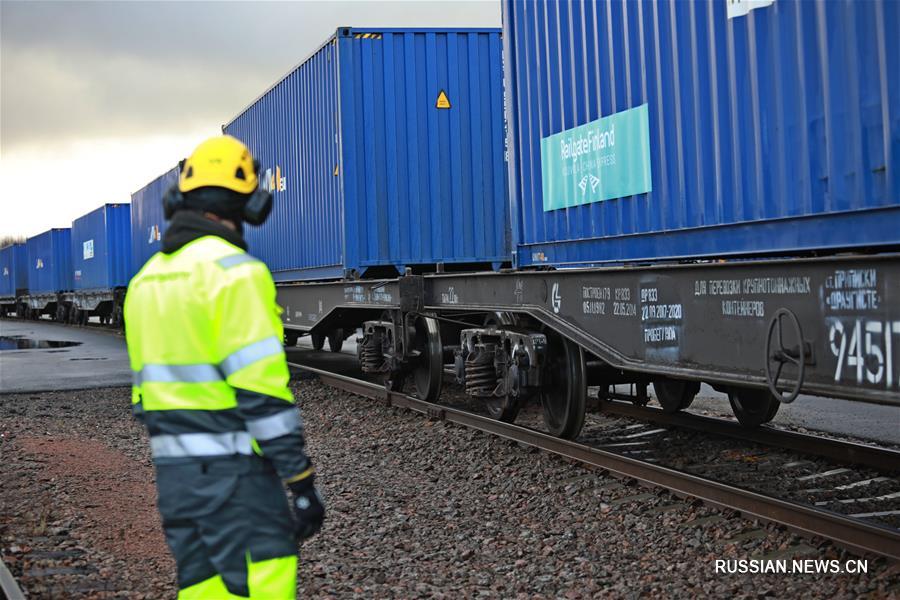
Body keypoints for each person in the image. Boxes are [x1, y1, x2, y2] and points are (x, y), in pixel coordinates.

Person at [124, 135, 324, 599]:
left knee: (203, 590)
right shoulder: (237, 274)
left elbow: (145, 399)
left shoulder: (145, 282)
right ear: (252, 203)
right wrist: (299, 481)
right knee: (263, 584)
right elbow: (263, 396)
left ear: (178, 200)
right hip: (237, 480)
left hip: (176, 482)